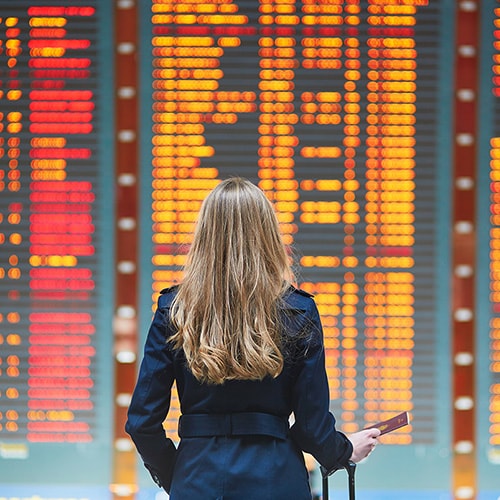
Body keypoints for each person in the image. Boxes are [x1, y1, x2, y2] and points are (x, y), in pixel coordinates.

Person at [126, 177, 380, 499]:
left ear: (203, 236)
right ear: (268, 234)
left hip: (196, 480)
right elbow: (311, 428)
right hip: (276, 481)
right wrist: (343, 450)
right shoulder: (299, 311)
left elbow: (142, 423)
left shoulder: (174, 310)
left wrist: (177, 474)